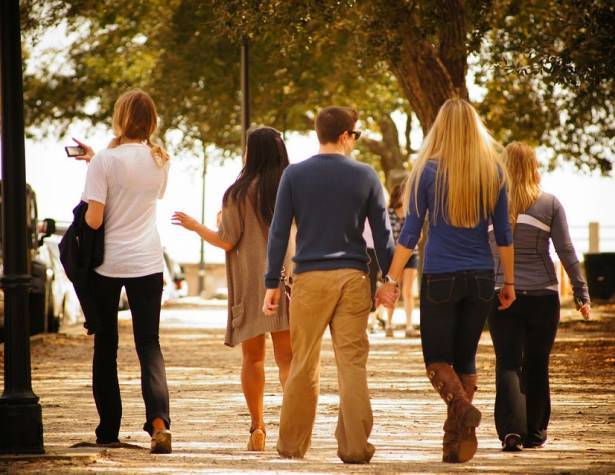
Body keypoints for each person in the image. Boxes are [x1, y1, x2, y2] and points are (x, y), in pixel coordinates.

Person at [262, 106, 398, 464]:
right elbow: (383, 235)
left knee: (304, 361)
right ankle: (354, 447)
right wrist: (390, 278)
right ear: (344, 136)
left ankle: (292, 445)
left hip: (309, 279)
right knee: (351, 364)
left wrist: (271, 282)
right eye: (355, 135)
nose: (355, 141)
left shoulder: (294, 175)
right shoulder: (366, 175)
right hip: (353, 278)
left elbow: (279, 231)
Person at [385, 98, 516, 463]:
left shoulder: (426, 172)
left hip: (440, 275)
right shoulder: (493, 172)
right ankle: (455, 443)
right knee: (465, 359)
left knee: (437, 361)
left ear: (439, 129)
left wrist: (391, 278)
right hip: (481, 276)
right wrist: (509, 281)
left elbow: (410, 233)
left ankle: (463, 408)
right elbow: (503, 234)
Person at [172, 127, 293, 451]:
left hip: (251, 284)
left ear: (251, 153)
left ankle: (258, 428)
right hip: (287, 281)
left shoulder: (237, 194)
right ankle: (292, 426)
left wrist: (196, 226)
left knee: (253, 358)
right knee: (288, 359)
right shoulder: (293, 186)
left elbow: (227, 240)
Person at [73, 89, 173, 453]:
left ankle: (108, 430)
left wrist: (93, 174)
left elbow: (94, 219)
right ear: (151, 121)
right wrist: (97, 161)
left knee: (106, 345)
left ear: (120, 117)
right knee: (149, 343)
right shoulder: (161, 160)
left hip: (108, 265)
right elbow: (136, 186)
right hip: (147, 262)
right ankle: (159, 424)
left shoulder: (106, 161)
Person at [488, 142, 591, 451]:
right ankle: (535, 433)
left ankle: (511, 431)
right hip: (543, 296)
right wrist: (581, 291)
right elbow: (566, 250)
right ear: (533, 168)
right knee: (537, 363)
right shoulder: (549, 204)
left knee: (508, 362)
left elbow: (478, 249)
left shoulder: (489, 204)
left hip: (501, 293)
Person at [385, 180, 419, 338]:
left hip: (412, 254)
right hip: (394, 255)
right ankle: (388, 324)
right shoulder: (388, 213)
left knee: (407, 291)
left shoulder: (412, 213)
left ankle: (409, 325)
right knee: (392, 289)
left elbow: (419, 235)